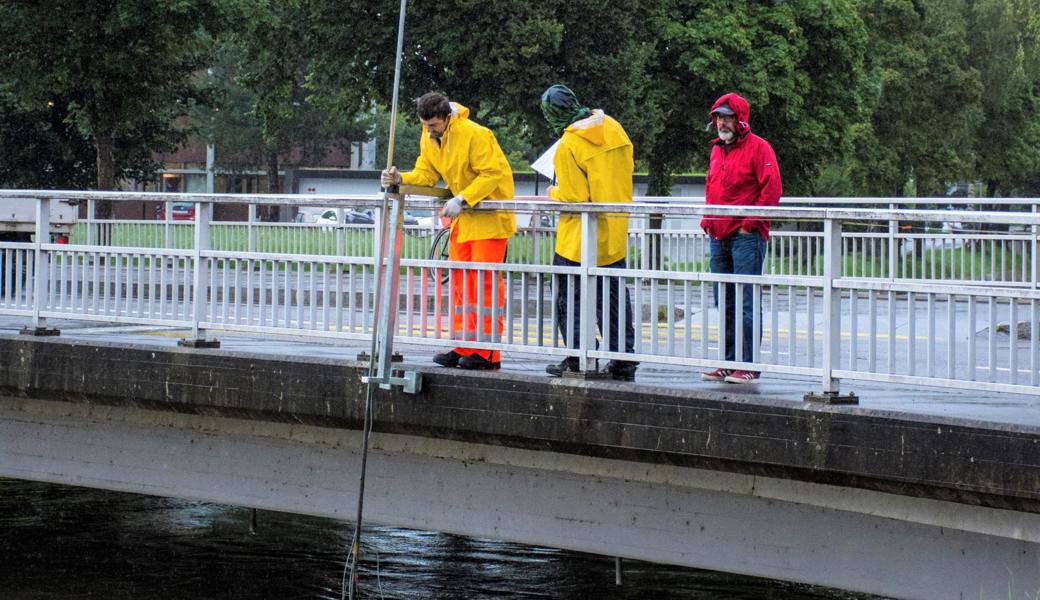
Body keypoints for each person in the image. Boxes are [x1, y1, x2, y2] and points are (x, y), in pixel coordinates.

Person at [382, 92, 516, 370]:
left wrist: (462, 198)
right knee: (461, 285)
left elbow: (491, 174)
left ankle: (488, 353)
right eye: (424, 125)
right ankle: (464, 345)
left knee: (484, 286)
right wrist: (400, 178)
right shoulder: (429, 136)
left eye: (432, 125)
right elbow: (426, 173)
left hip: (489, 219)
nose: (428, 130)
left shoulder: (476, 134)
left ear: (446, 117)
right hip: (465, 220)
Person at [539, 84, 638, 381]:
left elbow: (574, 197)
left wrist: (552, 192)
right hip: (614, 230)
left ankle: (580, 357)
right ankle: (623, 360)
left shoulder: (569, 144)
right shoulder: (613, 126)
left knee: (568, 299)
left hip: (578, 240)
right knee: (614, 298)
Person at [700, 93, 782, 384]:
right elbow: (713, 189)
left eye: (728, 117)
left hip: (746, 237)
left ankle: (748, 365)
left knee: (746, 301)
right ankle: (728, 361)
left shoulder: (760, 148)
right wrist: (708, 221)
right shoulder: (716, 150)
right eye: (719, 117)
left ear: (740, 119)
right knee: (725, 300)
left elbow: (771, 191)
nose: (722, 122)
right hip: (718, 233)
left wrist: (750, 225)